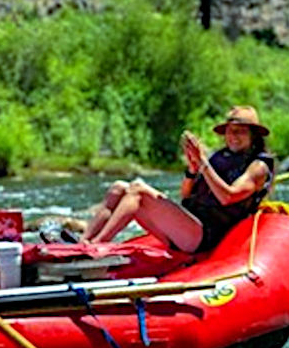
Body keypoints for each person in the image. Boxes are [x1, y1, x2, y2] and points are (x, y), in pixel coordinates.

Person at [81, 106, 274, 253]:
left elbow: (227, 197)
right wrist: (192, 170)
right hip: (189, 226)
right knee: (119, 188)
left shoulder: (257, 167)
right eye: (230, 131)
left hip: (206, 236)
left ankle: (97, 247)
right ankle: (84, 243)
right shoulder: (220, 158)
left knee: (138, 190)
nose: (232, 136)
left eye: (240, 131)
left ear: (253, 136)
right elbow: (186, 195)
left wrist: (203, 162)